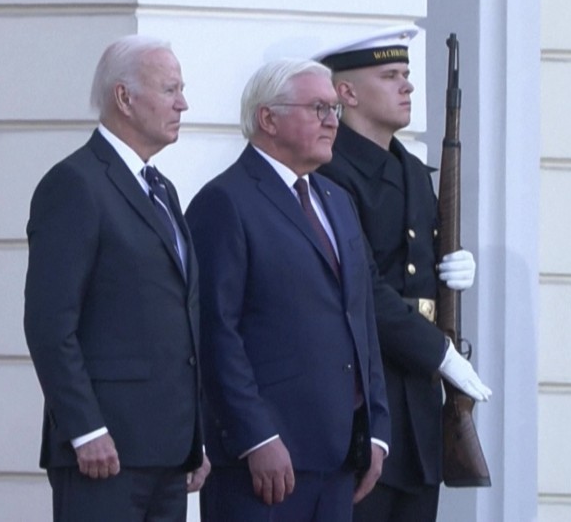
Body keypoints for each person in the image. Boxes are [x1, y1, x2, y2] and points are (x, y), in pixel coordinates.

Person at [185, 58, 391, 522]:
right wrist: (255, 436)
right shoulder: (226, 201)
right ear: (268, 118)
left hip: (341, 459)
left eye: (335, 109)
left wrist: (377, 428)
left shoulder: (336, 201)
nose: (332, 121)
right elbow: (216, 333)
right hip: (263, 464)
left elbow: (360, 320)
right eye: (318, 108)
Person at [23, 35, 209, 522]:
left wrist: (195, 437)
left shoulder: (161, 189)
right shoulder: (76, 184)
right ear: (124, 98)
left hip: (168, 451)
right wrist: (85, 429)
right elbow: (49, 323)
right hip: (103, 451)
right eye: (170, 89)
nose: (183, 104)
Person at [313, 25, 492, 522]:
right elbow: (363, 288)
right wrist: (440, 353)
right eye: (390, 75)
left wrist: (450, 272)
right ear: (347, 92)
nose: (407, 85)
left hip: (417, 400)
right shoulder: (331, 173)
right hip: (364, 393)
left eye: (406, 74)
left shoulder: (411, 171)